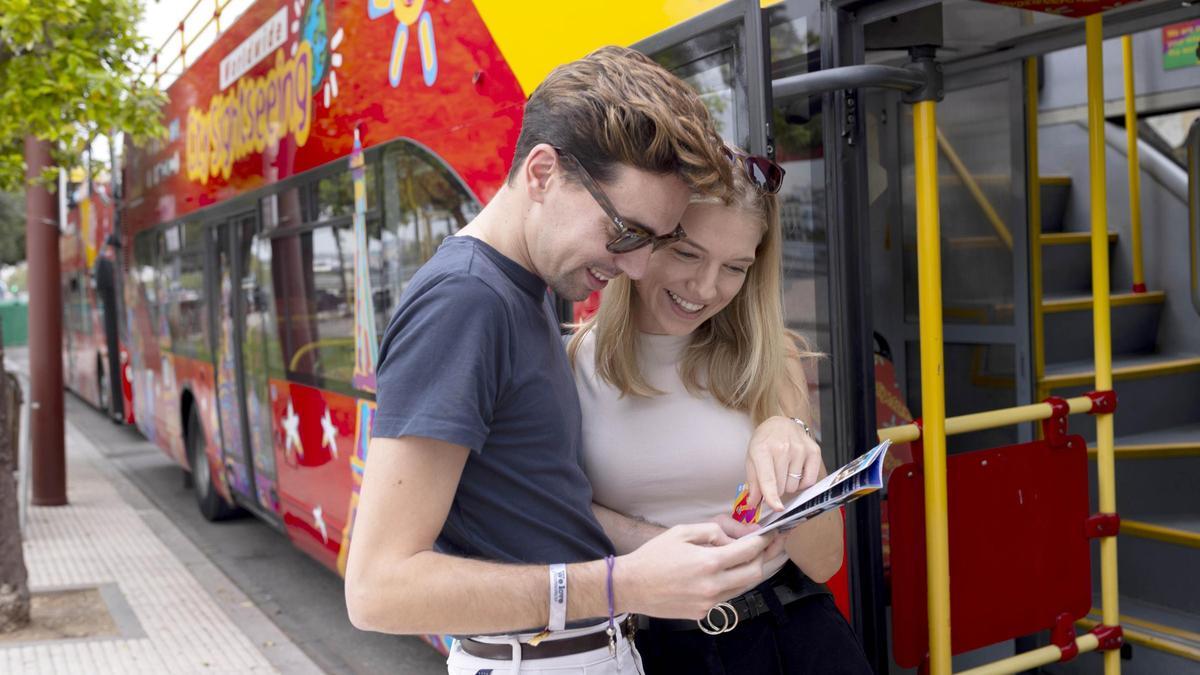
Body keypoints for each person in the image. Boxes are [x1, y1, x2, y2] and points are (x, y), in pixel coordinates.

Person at [344, 47, 786, 674]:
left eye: (654, 243)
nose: (633, 267)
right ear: (543, 173)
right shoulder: (466, 300)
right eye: (627, 232)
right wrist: (622, 585)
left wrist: (672, 552)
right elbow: (379, 590)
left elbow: (538, 508)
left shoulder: (522, 290)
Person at [568, 147, 875, 673]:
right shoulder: (569, 363)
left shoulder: (771, 357)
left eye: (735, 268)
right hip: (650, 647)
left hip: (792, 632)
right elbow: (559, 511)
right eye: (687, 254)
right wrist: (670, 543)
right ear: (644, 239)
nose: (707, 289)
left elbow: (824, 561)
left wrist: (796, 458)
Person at [93, 234, 124, 422]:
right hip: (114, 325)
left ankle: (119, 409)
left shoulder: (102, 261)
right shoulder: (105, 263)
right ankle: (118, 409)